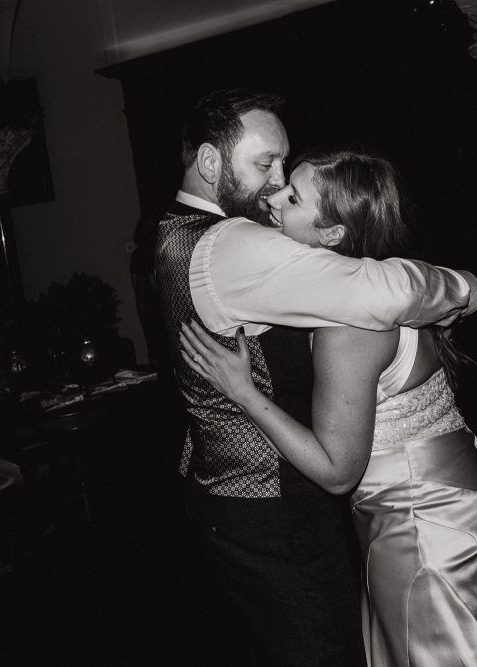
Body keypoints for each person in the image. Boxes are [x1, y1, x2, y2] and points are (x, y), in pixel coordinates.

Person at [153, 88, 477, 665]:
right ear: (209, 162)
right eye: (267, 164)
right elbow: (388, 290)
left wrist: (243, 393)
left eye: (289, 182)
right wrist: (465, 290)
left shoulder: (173, 232)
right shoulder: (234, 242)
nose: (276, 187)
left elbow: (337, 465)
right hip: (300, 507)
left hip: (415, 521)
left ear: (331, 235)